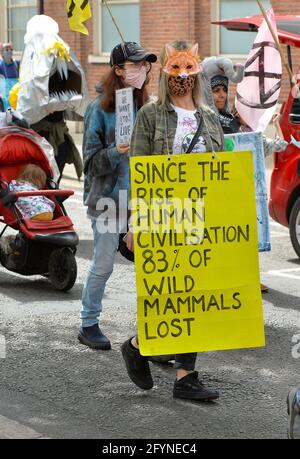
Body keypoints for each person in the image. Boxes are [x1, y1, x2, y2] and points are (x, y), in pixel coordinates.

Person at [121, 41, 224, 401]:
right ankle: (138, 346)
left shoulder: (210, 118)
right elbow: (140, 173)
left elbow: (221, 171)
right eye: (176, 70)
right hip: (165, 217)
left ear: (197, 73)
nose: (182, 77)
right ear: (166, 73)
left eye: (188, 70)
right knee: (170, 295)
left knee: (194, 297)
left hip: (201, 219)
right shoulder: (150, 115)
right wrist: (135, 221)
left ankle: (185, 377)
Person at [78, 42, 157, 350]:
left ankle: (152, 330)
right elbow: (89, 164)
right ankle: (88, 323)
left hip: (141, 203)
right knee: (103, 264)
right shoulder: (98, 110)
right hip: (108, 200)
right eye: (135, 65)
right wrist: (116, 151)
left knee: (152, 265)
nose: (141, 70)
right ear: (119, 70)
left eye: (144, 65)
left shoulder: (148, 109)